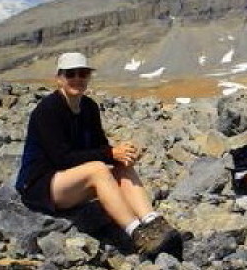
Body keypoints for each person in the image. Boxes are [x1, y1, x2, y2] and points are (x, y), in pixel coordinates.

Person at [15, 52, 181, 259]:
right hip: (40, 185)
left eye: (82, 73)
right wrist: (109, 153)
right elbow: (61, 158)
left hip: (71, 181)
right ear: (59, 78)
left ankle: (154, 223)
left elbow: (100, 147)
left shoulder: (89, 107)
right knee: (98, 170)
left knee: (121, 167)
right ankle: (137, 234)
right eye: (70, 74)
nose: (77, 79)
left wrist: (121, 155)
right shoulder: (47, 110)